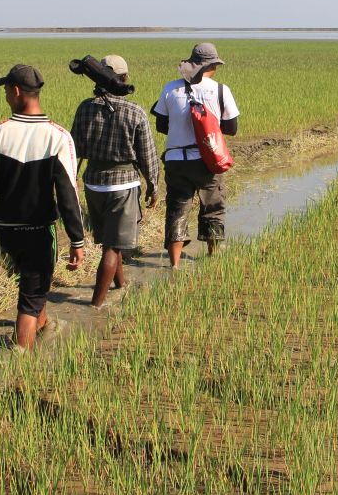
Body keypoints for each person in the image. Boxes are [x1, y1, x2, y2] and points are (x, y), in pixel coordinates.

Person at [0, 64, 86, 349]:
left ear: (17, 91)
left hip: (6, 231)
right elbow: (68, 195)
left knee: (33, 285)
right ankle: (23, 363)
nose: (6, 95)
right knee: (29, 301)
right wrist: (77, 240)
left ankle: (43, 326)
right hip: (39, 230)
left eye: (6, 90)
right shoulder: (58, 136)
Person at [69, 55, 160, 307]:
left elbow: (74, 148)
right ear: (124, 79)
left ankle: (121, 284)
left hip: (93, 184)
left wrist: (72, 179)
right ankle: (96, 305)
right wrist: (154, 186)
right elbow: (148, 156)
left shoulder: (85, 107)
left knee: (111, 242)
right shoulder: (135, 112)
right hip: (123, 186)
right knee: (112, 247)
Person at [152, 43, 240, 269]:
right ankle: (213, 257)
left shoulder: (171, 88)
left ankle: (174, 265)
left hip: (176, 161)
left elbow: (161, 124)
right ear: (213, 65)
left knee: (176, 209)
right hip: (207, 161)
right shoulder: (221, 90)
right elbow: (231, 128)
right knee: (212, 207)